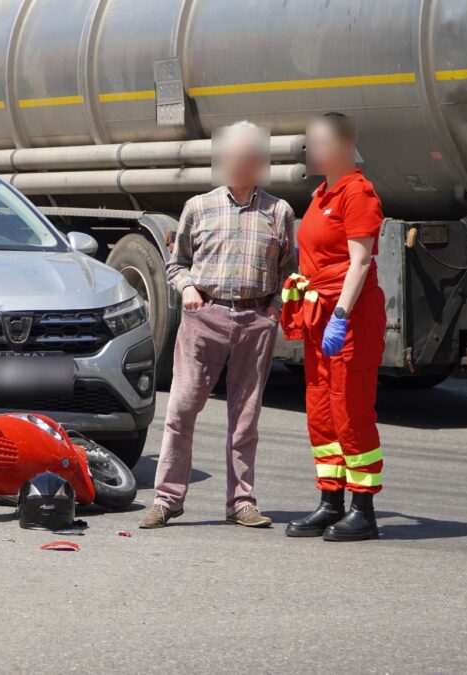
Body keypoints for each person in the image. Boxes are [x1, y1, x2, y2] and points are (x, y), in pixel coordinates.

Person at [140, 121, 297, 529]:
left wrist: (274, 311)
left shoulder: (279, 213)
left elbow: (289, 273)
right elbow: (177, 264)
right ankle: (167, 499)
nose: (232, 164)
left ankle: (241, 502)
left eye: (241, 158)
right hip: (204, 318)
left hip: (255, 320)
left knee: (245, 418)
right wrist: (188, 288)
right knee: (181, 410)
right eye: (227, 157)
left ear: (258, 162)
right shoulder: (198, 207)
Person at [281, 113, 386, 542]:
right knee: (322, 410)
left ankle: (363, 509)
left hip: (349, 316)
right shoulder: (322, 193)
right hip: (318, 313)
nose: (313, 150)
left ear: (345, 146)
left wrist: (340, 315)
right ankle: (331, 501)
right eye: (310, 143)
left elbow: (360, 262)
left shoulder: (357, 194)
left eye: (321, 142)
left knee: (351, 410)